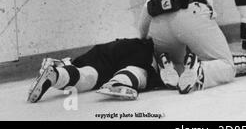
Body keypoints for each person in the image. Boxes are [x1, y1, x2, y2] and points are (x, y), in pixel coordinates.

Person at [27, 38, 161, 102]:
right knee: (139, 70)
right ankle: (117, 83)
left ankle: (56, 75)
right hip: (139, 50)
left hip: (105, 51)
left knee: (87, 76)